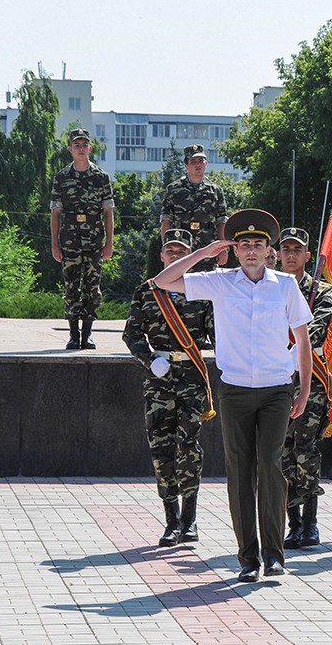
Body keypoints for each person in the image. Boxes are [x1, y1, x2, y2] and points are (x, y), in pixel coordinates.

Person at [152, 209, 313, 583]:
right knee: (240, 472)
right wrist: (204, 253)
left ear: (268, 250)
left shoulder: (285, 286)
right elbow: (162, 281)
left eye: (258, 244)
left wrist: (304, 390)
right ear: (235, 250)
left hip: (275, 390)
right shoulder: (220, 282)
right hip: (236, 390)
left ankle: (274, 555)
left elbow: (303, 340)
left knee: (270, 465)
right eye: (244, 245)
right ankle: (248, 558)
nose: (252, 251)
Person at [122, 229, 216, 546]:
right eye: (171, 252)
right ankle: (171, 521)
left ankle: (190, 520)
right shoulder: (146, 291)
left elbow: (217, 333)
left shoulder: (202, 290)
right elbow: (132, 334)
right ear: (162, 256)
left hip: (191, 376)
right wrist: (150, 360)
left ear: (189, 257)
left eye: (181, 252)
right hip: (159, 378)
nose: (175, 256)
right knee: (161, 448)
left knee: (188, 445)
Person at [277, 227, 332, 549]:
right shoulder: (268, 287)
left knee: (306, 450)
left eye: (297, 249)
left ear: (307, 255)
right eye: (286, 249)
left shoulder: (322, 292)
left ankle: (311, 523)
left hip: (309, 380)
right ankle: (294, 523)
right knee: (282, 452)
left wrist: (285, 340)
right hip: (276, 378)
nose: (291, 255)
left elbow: (317, 328)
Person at [51, 128, 115, 349]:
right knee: (71, 288)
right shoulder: (62, 177)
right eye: (76, 145)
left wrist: (109, 243)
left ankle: (87, 334)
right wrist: (54, 244)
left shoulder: (101, 177)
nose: (81, 149)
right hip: (69, 240)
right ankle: (73, 334)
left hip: (94, 241)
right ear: (70, 149)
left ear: (90, 148)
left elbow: (108, 212)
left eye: (84, 145)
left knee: (92, 289)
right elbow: (56, 213)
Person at [160, 144, 228, 270]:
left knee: (207, 282)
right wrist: (165, 248)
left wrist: (223, 249)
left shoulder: (215, 190)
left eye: (201, 161)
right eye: (193, 161)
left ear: (206, 163)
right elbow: (166, 221)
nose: (198, 165)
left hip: (208, 250)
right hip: (181, 252)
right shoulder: (173, 189)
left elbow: (221, 222)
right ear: (186, 165)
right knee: (181, 281)